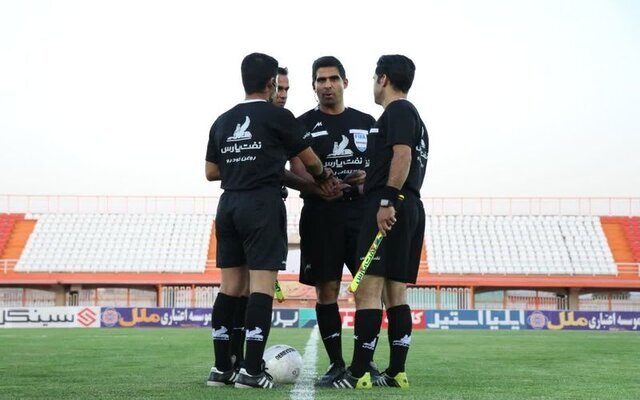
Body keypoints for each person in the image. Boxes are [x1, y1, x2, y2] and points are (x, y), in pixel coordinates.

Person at [204, 52, 333, 389]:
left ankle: (221, 369)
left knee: (230, 288)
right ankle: (251, 371)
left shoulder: (222, 120)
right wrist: (325, 178)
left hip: (228, 204)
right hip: (261, 204)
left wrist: (243, 164)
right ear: (270, 83)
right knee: (261, 287)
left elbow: (211, 171)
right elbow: (311, 162)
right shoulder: (278, 117)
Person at [321, 54, 428, 389]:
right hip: (408, 205)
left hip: (389, 207)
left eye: (374, 78)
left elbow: (402, 155)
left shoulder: (397, 111)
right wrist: (362, 186)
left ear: (383, 79)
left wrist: (385, 200)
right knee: (396, 293)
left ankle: (358, 373)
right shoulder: (413, 116)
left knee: (367, 292)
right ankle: (396, 372)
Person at [289, 56, 377, 385]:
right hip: (321, 215)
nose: (327, 85)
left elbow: (379, 167)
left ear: (345, 82)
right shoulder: (301, 124)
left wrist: (367, 178)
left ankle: (363, 363)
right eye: (321, 80)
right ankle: (337, 363)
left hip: (361, 214)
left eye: (333, 79)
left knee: (367, 288)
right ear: (313, 86)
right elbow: (297, 169)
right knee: (326, 289)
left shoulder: (367, 122)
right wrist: (318, 187)